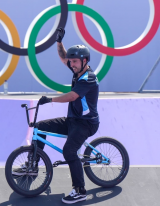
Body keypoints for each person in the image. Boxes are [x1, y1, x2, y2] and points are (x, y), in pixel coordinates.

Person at [14, 27, 100, 204]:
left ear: (84, 61)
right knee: (40, 126)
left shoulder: (88, 78)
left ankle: (80, 190)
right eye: (72, 62)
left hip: (86, 123)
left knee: (69, 151)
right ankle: (32, 166)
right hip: (73, 120)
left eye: (75, 61)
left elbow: (73, 96)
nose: (71, 64)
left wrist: (50, 99)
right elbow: (63, 57)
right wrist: (59, 42)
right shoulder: (78, 71)